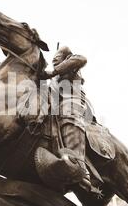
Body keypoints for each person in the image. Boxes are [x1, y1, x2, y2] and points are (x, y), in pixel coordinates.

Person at [40, 46, 100, 196]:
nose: (53, 59)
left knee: (68, 112)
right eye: (53, 58)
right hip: (55, 108)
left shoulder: (72, 65)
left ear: (67, 57)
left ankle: (79, 168)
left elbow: (82, 58)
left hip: (72, 102)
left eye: (57, 56)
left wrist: (53, 72)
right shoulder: (53, 79)